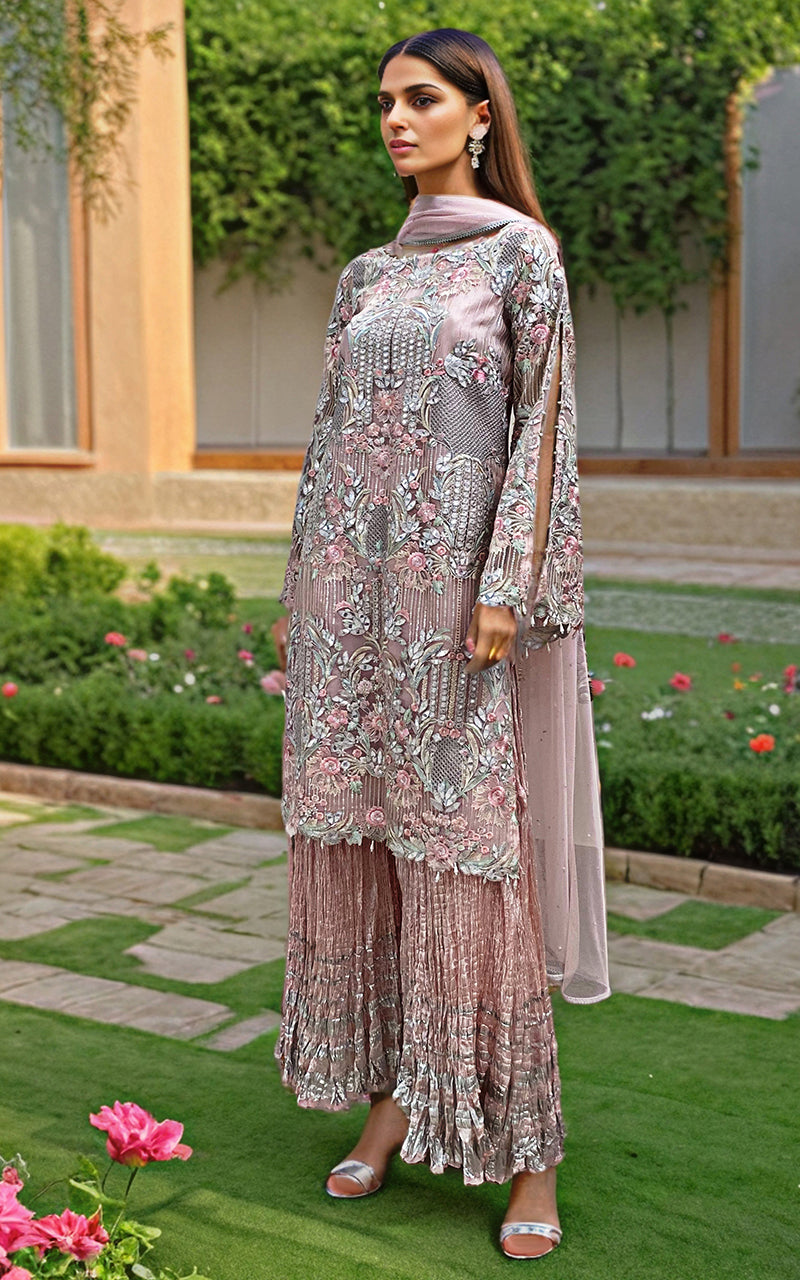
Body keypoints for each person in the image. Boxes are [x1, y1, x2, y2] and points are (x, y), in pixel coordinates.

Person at [271, 27, 610, 1261]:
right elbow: (328, 436)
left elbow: (542, 429)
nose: (395, 119)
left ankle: (528, 1150)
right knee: (367, 847)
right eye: (384, 102)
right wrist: (303, 587)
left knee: (467, 860)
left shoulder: (521, 256)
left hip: (456, 608)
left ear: (479, 115)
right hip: (348, 610)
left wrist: (507, 583)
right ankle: (392, 1100)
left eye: (421, 99)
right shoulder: (366, 274)